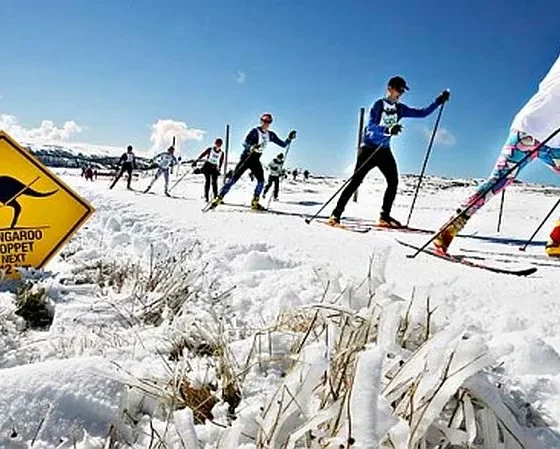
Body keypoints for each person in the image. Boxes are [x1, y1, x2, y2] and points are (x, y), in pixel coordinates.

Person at [433, 54, 560, 257]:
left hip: (553, 143)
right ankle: (448, 229)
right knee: (499, 180)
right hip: (529, 129)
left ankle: (557, 240)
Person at [328, 76, 450, 227]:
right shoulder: (378, 105)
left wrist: (438, 102)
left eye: (403, 91)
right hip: (369, 149)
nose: (401, 94)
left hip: (384, 151)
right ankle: (335, 215)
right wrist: (388, 129)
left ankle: (384, 216)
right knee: (356, 182)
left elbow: (422, 113)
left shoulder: (400, 109)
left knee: (393, 182)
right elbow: (371, 127)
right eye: (399, 90)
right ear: (390, 89)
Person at [208, 113, 296, 210]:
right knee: (233, 179)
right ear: (261, 121)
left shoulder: (270, 135)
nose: (266, 123)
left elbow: (283, 144)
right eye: (264, 120)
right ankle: (219, 198)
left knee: (261, 181)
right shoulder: (254, 131)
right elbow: (244, 143)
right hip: (246, 158)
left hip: (255, 160)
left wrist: (289, 138)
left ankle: (255, 202)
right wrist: (251, 147)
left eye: (268, 121)